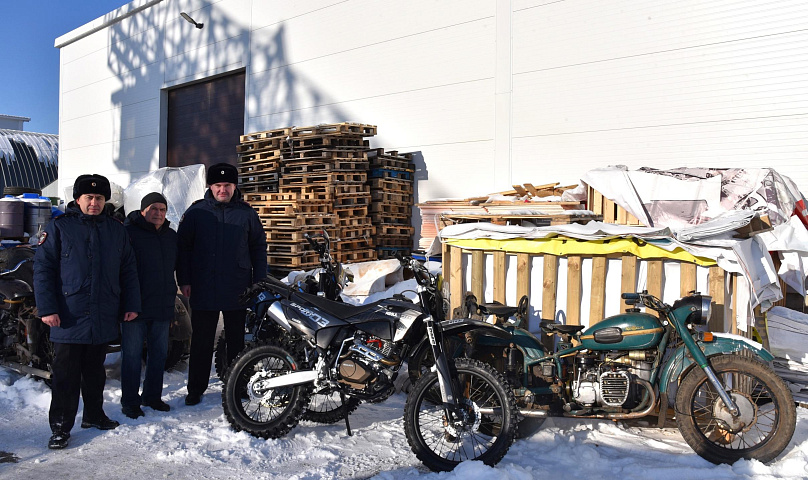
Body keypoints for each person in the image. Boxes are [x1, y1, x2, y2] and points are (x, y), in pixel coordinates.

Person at [33, 174, 140, 449]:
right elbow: (43, 270)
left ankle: (94, 415)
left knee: (95, 371)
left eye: (99, 198)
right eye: (89, 198)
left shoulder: (116, 230)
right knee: (66, 375)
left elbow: (128, 270)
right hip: (68, 315)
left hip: (103, 313)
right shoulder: (59, 228)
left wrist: (130, 305)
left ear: (106, 201)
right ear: (77, 199)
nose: (94, 203)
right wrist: (47, 308)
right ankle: (60, 427)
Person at [177, 163, 267, 405]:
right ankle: (196, 388)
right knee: (202, 341)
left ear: (234, 186)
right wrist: (184, 279)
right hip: (203, 285)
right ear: (210, 186)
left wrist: (258, 281)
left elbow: (258, 247)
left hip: (237, 286)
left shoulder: (247, 214)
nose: (223, 189)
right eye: (218, 185)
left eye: (227, 185)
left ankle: (237, 385)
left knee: (237, 341)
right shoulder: (197, 213)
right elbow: (183, 248)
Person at [120, 192, 178, 419]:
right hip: (135, 306)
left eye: (162, 209)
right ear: (143, 210)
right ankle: (130, 401)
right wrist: (126, 302)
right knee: (132, 356)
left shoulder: (171, 236)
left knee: (159, 354)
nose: (158, 213)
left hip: (162, 304)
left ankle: (152, 396)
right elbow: (122, 271)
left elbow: (177, 266)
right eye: (154, 208)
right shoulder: (129, 234)